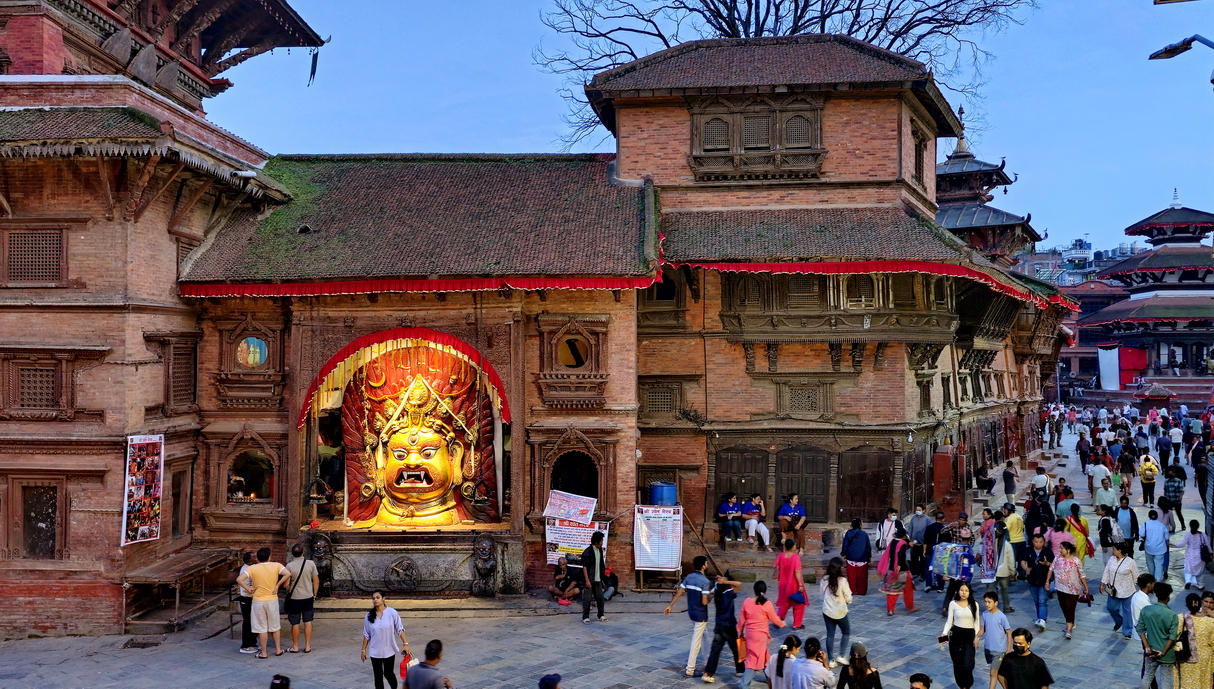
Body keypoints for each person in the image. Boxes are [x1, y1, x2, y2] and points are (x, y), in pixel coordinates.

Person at [237, 546, 291, 659]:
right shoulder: (276, 565)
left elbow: (239, 579)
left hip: (258, 601)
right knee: (275, 626)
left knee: (261, 628)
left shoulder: (253, 568)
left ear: (258, 558)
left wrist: (248, 589)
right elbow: (287, 574)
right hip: (272, 600)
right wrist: (277, 585)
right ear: (269, 556)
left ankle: (264, 652)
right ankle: (278, 649)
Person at [665, 555, 714, 678]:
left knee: (705, 636)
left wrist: (670, 605)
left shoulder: (689, 577)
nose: (707, 565)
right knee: (696, 641)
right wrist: (712, 594)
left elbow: (679, 593)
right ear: (703, 565)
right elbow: (704, 602)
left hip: (691, 612)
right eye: (706, 564)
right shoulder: (705, 582)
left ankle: (707, 661)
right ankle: (690, 669)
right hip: (700, 614)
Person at [737, 581, 785, 689]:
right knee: (753, 660)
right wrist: (782, 623)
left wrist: (739, 631)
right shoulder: (766, 604)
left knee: (764, 656)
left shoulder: (747, 602)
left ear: (754, 590)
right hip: (761, 636)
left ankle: (771, 678)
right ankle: (743, 684)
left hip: (750, 634)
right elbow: (774, 619)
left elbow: (742, 620)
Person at [361, 591, 409, 689]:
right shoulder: (369, 616)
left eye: (377, 597)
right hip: (375, 651)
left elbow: (399, 629)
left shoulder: (392, 613)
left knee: (388, 673)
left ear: (383, 598)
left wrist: (406, 643)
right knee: (378, 676)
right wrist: (363, 650)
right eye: (373, 598)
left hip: (389, 649)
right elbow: (366, 634)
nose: (375, 600)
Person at [702, 573, 744, 684]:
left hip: (719, 626)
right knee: (736, 649)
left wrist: (719, 583)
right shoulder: (728, 593)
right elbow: (738, 584)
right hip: (729, 626)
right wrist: (725, 581)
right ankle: (740, 670)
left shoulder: (717, 592)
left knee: (715, 651)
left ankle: (708, 673)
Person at [1138, 582, 1181, 689]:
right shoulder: (1172, 615)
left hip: (1151, 651)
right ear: (1168, 597)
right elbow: (1172, 637)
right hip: (1167, 654)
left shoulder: (1146, 610)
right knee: (1165, 680)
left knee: (1147, 676)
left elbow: (1140, 629)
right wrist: (1163, 652)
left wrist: (1147, 646)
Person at [1045, 541, 1089, 640]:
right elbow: (1051, 569)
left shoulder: (1076, 561)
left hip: (1073, 589)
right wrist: (1047, 581)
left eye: (1062, 548)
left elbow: (1082, 574)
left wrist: (1086, 587)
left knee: (1070, 607)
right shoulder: (1057, 558)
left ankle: (1069, 629)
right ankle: (1070, 622)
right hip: (1060, 587)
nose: (1060, 550)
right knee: (1063, 606)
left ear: (1068, 550)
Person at [941, 582, 981, 689]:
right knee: (957, 662)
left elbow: (976, 622)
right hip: (956, 635)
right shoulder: (953, 604)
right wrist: (944, 633)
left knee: (967, 664)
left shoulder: (974, 604)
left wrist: (977, 637)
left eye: (966, 590)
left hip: (969, 635)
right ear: (958, 591)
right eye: (962, 590)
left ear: (969, 592)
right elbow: (949, 622)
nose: (964, 593)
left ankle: (967, 684)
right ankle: (962, 686)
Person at [283, 543, 319, 654]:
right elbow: (316, 581)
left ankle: (295, 646)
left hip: (295, 598)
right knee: (308, 621)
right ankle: (307, 646)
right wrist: (314, 594)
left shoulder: (289, 566)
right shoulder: (311, 563)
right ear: (303, 552)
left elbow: (285, 584)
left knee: (295, 623)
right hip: (308, 596)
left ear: (292, 554)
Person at [1101, 541, 1140, 639]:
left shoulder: (1130, 562)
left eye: (1114, 549)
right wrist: (1103, 583)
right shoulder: (1111, 559)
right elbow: (1106, 571)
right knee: (1111, 607)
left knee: (1127, 612)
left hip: (1127, 591)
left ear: (1120, 551)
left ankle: (1127, 632)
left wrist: (1139, 590)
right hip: (1113, 590)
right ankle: (1119, 621)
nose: (1112, 551)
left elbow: (1136, 577)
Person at [878, 523, 917, 616]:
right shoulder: (902, 544)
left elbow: (895, 551)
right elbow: (901, 554)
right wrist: (899, 564)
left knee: (892, 591)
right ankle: (910, 606)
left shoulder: (893, 542)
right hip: (902, 570)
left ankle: (890, 609)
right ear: (903, 536)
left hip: (892, 569)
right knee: (908, 589)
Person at [821, 558, 853, 667]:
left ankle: (831, 660)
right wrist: (847, 601)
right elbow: (848, 597)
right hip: (840, 612)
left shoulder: (824, 579)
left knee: (830, 635)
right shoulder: (842, 581)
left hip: (827, 611)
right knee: (846, 632)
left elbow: (822, 594)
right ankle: (841, 655)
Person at [1180, 592, 1214, 689]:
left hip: (1208, 658)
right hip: (1193, 656)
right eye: (1206, 601)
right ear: (1201, 601)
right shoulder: (1193, 613)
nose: (1208, 604)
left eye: (1211, 602)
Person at [977, 591, 1011, 689]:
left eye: (989, 602)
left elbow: (1009, 632)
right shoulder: (985, 614)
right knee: (997, 672)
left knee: (992, 673)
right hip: (988, 648)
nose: (987, 604)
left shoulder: (1001, 617)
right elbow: (983, 629)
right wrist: (976, 637)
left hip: (999, 650)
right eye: (985, 602)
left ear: (996, 603)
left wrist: (1008, 649)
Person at [774, 538, 808, 630]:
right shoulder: (795, 557)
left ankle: (778, 620)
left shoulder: (781, 556)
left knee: (784, 603)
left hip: (783, 584)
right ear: (793, 547)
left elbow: (776, 567)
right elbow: (797, 572)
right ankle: (797, 624)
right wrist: (800, 584)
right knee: (798, 604)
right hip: (793, 584)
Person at [580, 530, 608, 623]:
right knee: (587, 599)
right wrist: (587, 580)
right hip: (590, 578)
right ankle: (585, 617)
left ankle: (601, 615)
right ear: (597, 541)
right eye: (601, 540)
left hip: (598, 578)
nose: (602, 542)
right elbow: (584, 567)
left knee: (600, 598)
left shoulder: (599, 550)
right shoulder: (588, 551)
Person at [1174, 520, 1209, 591]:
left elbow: (1182, 544)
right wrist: (1210, 553)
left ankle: (1189, 581)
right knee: (1198, 571)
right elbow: (1208, 545)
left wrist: (1173, 545)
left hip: (1190, 555)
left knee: (1188, 569)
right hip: (1200, 556)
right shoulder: (1203, 535)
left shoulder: (1188, 534)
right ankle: (1198, 584)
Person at [841, 519, 872, 596]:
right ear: (860, 525)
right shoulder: (864, 534)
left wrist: (843, 554)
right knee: (862, 576)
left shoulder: (848, 533)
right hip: (863, 557)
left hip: (850, 557)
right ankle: (861, 591)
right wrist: (869, 556)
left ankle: (852, 590)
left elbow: (845, 545)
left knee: (852, 575)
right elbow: (868, 546)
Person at [235, 551, 258, 654]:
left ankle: (252, 642)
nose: (256, 558)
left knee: (253, 621)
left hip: (250, 598)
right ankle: (245, 645)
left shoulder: (250, 569)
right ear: (250, 561)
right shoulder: (246, 570)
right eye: (254, 557)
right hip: (246, 598)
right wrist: (250, 589)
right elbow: (242, 581)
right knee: (248, 622)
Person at [922, 511, 947, 592]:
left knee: (928, 568)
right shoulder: (944, 529)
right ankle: (940, 587)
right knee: (940, 569)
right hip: (941, 552)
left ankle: (928, 584)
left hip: (930, 550)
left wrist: (924, 550)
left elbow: (925, 540)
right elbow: (947, 543)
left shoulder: (929, 527)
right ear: (943, 519)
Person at [1144, 510, 1171, 583]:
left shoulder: (1146, 524)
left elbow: (1142, 534)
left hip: (1149, 548)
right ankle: (1158, 579)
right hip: (1160, 549)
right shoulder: (1161, 526)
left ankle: (1151, 577)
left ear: (1149, 516)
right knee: (1159, 564)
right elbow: (1166, 537)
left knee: (1150, 563)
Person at [1002, 505, 1026, 580]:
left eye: (1005, 509)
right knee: (1021, 559)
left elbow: (1006, 530)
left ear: (1008, 510)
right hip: (1022, 540)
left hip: (1013, 541)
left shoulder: (1008, 519)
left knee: (1012, 559)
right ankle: (1022, 574)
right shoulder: (1019, 517)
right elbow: (1022, 529)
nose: (1004, 511)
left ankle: (1012, 575)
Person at [908, 504, 930, 578]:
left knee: (923, 560)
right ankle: (915, 573)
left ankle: (923, 575)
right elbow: (910, 528)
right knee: (914, 559)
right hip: (913, 543)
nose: (918, 511)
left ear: (924, 510)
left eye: (919, 510)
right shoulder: (913, 518)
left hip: (923, 543)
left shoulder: (927, 519)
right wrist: (909, 539)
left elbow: (929, 530)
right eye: (917, 510)